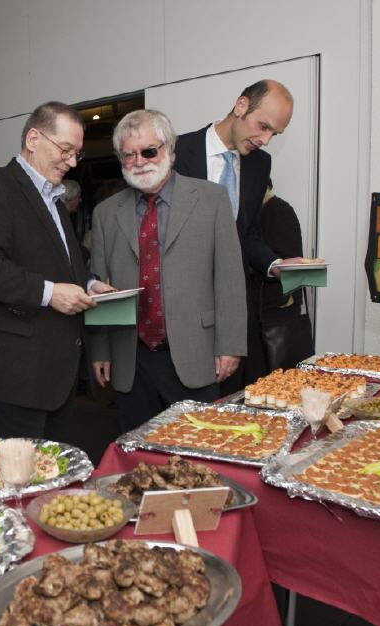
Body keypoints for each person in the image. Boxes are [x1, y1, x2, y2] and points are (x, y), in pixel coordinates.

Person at [89, 109, 247, 433]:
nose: (140, 161)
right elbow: (99, 287)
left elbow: (230, 279)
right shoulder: (105, 213)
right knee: (138, 456)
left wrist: (230, 345)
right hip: (132, 357)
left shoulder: (211, 199)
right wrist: (101, 349)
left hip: (195, 351)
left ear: (170, 151)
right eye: (128, 155)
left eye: (149, 151)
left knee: (196, 451)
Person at [0, 101, 97, 440]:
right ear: (33, 139)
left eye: (77, 153)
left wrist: (89, 285)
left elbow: (61, 266)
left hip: (53, 376)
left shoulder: (53, 200)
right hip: (12, 378)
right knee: (15, 484)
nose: (72, 162)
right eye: (66, 150)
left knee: (52, 481)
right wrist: (51, 294)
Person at [174, 79, 303, 391]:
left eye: (275, 133)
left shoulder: (260, 163)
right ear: (241, 105)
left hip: (232, 315)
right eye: (263, 126)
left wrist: (275, 264)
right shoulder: (176, 152)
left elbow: (245, 235)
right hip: (180, 315)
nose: (267, 139)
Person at [255, 179, 314, 372]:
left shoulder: (277, 210)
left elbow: (290, 262)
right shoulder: (261, 211)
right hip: (270, 309)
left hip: (277, 309)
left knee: (276, 380)